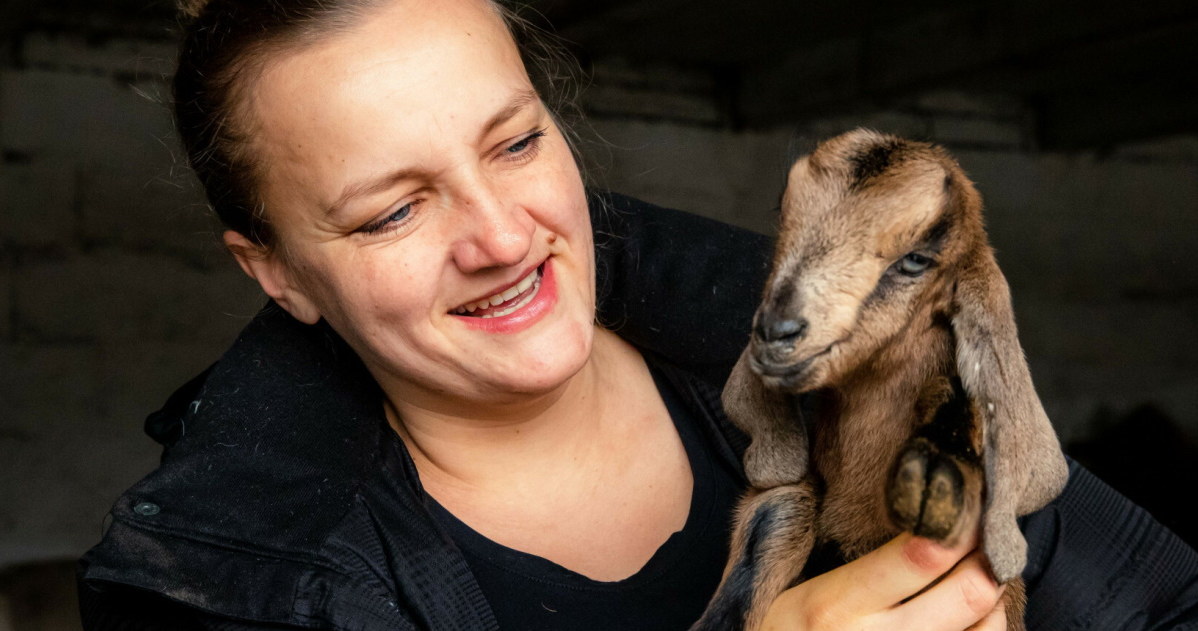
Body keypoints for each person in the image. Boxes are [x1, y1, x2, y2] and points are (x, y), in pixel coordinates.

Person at [77, 0, 1198, 629]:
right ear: (274, 271)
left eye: (515, 143)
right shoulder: (218, 590)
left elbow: (1161, 603)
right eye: (390, 212)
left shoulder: (858, 354)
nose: (503, 238)